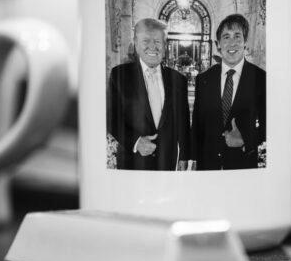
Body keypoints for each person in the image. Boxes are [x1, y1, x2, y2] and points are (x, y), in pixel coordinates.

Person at [108, 18, 190, 170]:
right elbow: (111, 117)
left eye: (158, 41)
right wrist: (136, 142)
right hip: (132, 164)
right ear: (136, 44)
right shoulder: (119, 75)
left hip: (167, 164)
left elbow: (183, 124)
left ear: (165, 45)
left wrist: (184, 156)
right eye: (146, 41)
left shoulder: (179, 80)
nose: (152, 47)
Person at [191, 14, 266, 170]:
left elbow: (271, 128)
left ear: (245, 42)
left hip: (243, 168)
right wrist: (193, 162)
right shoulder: (203, 79)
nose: (232, 43)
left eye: (237, 36)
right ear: (218, 44)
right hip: (208, 168)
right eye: (226, 37)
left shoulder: (261, 79)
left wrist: (246, 139)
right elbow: (197, 127)